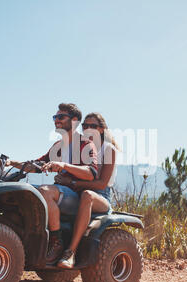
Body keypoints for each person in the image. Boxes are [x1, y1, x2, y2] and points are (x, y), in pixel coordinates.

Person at [6, 103, 99, 264]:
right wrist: (12, 162)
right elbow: (36, 167)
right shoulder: (58, 147)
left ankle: (56, 241)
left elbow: (91, 174)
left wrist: (63, 165)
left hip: (76, 195)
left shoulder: (85, 144)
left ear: (75, 120)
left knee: (44, 191)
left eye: (61, 117)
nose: (56, 120)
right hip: (61, 192)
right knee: (23, 192)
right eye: (55, 117)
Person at [54, 112, 119, 269]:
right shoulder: (81, 148)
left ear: (102, 130)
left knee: (87, 195)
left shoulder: (108, 149)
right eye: (85, 126)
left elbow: (102, 184)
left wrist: (73, 182)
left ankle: (71, 252)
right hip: (77, 191)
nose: (88, 129)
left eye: (93, 126)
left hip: (100, 197)